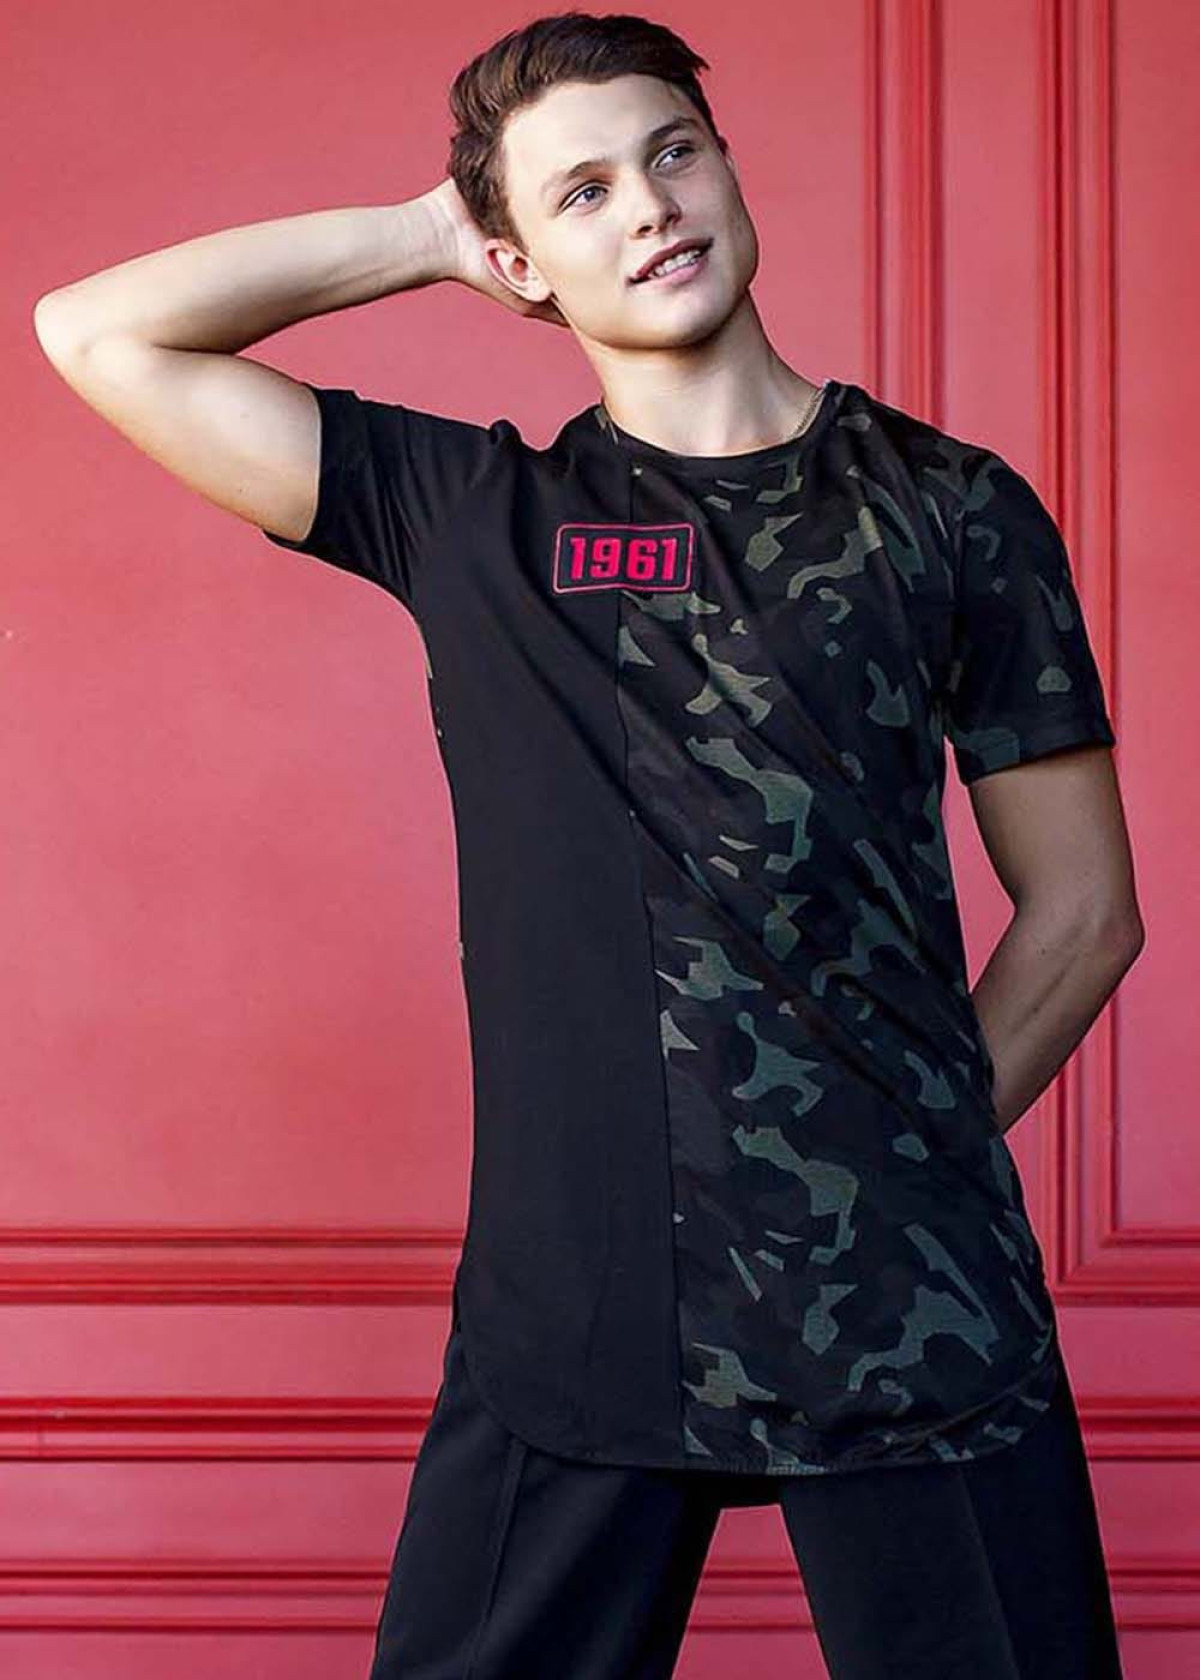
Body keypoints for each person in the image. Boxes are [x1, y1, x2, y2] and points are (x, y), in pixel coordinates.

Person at [33, 11, 1143, 1677]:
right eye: (582, 193)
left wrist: (906, 1158)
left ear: (730, 169)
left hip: (914, 1300)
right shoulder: (474, 519)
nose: (649, 207)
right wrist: (430, 233)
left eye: (672, 152)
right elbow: (99, 333)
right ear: (520, 261)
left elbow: (1087, 912)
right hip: (580, 1294)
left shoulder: (952, 507)